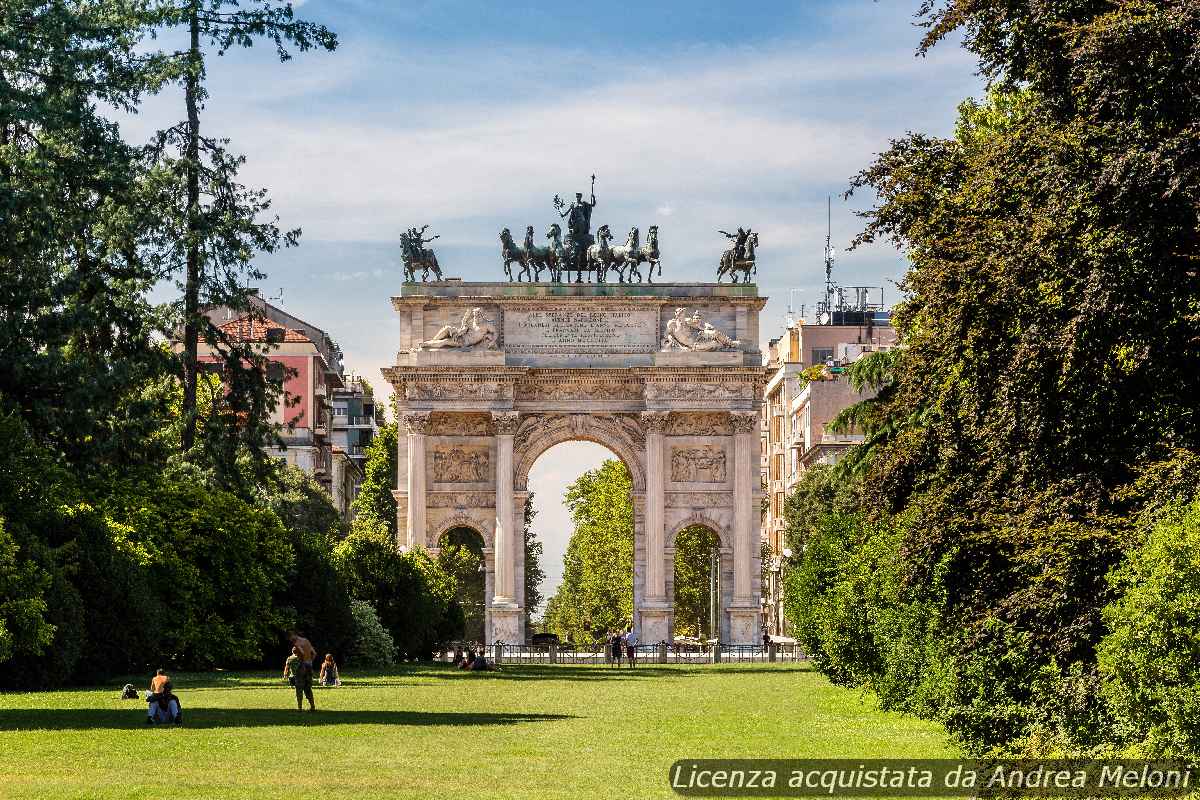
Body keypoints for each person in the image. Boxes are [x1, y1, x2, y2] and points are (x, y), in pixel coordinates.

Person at [284, 645, 316, 712]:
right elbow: (309, 667)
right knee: (308, 692)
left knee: (299, 693)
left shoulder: (290, 658)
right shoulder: (305, 658)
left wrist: (285, 675)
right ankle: (312, 707)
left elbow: (287, 668)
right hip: (306, 677)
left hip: (297, 678)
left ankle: (300, 708)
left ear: (293, 651)